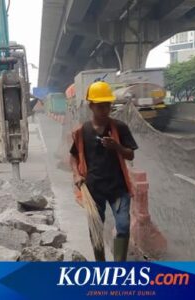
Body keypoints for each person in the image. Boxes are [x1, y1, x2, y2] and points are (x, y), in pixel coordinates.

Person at [69, 81, 138, 262]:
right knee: (96, 229)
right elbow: (74, 156)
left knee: (123, 226)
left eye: (107, 105)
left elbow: (130, 155)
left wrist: (117, 146)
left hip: (118, 188)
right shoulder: (82, 131)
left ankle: (119, 266)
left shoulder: (119, 128)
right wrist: (77, 174)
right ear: (91, 106)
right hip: (94, 190)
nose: (105, 109)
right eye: (100, 106)